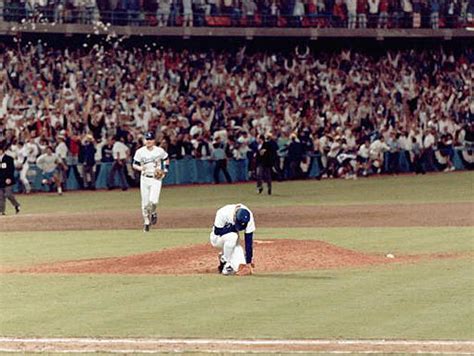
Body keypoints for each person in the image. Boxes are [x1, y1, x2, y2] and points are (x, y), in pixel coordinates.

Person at [132, 131, 170, 232]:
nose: (148, 141)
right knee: (145, 204)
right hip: (144, 178)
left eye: (150, 139)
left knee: (154, 201)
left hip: (156, 178)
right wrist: (140, 168)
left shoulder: (159, 151)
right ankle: (146, 222)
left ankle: (153, 212)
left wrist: (165, 170)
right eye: (147, 139)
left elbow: (166, 158)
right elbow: (134, 164)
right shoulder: (140, 152)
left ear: (154, 141)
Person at [209, 204, 255, 276]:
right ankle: (226, 264)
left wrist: (248, 261)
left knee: (240, 266)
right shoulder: (223, 212)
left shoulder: (248, 216)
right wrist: (232, 228)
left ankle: (223, 257)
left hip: (232, 241)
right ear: (234, 216)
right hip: (217, 239)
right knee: (233, 236)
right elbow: (217, 231)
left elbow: (248, 239)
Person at [0, 141, 21, 215]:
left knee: (8, 194)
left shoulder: (9, 159)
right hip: (0, 180)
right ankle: (2, 211)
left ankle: (16, 205)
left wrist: (9, 178)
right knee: (1, 196)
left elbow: (11, 169)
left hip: (8, 180)